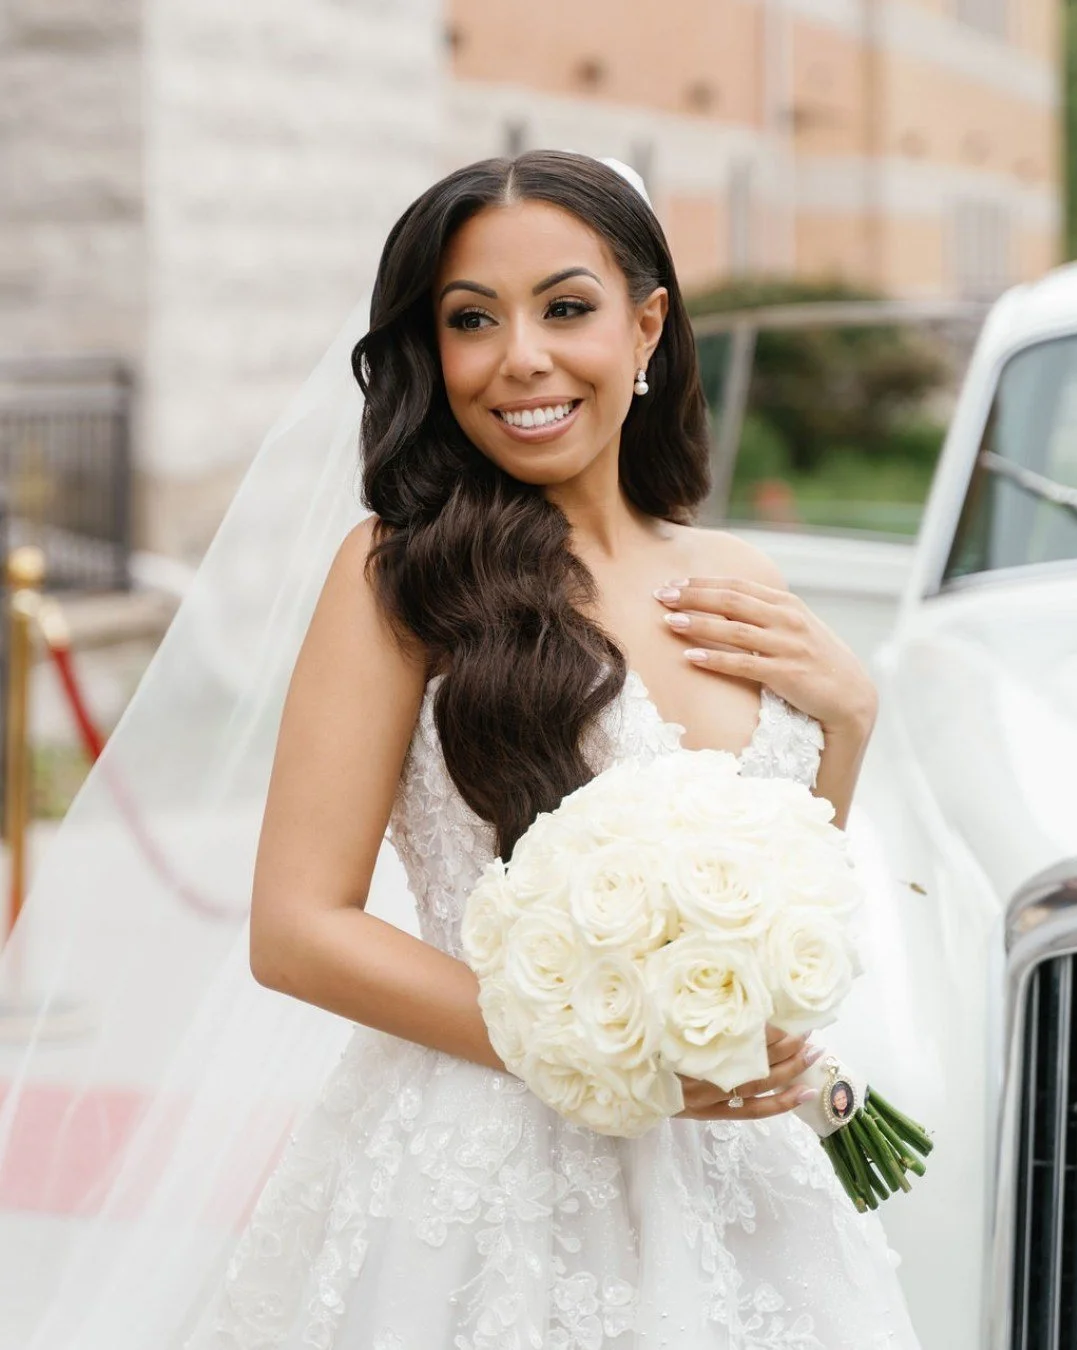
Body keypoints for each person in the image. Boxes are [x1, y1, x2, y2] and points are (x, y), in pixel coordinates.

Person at [0, 152, 922, 1350]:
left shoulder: (738, 580)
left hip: (742, 1178)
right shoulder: (399, 576)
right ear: (431, 356)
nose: (521, 358)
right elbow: (297, 930)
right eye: (471, 321)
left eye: (567, 307)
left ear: (648, 327)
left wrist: (848, 721)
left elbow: (794, 874)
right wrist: (602, 1054)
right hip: (492, 1174)